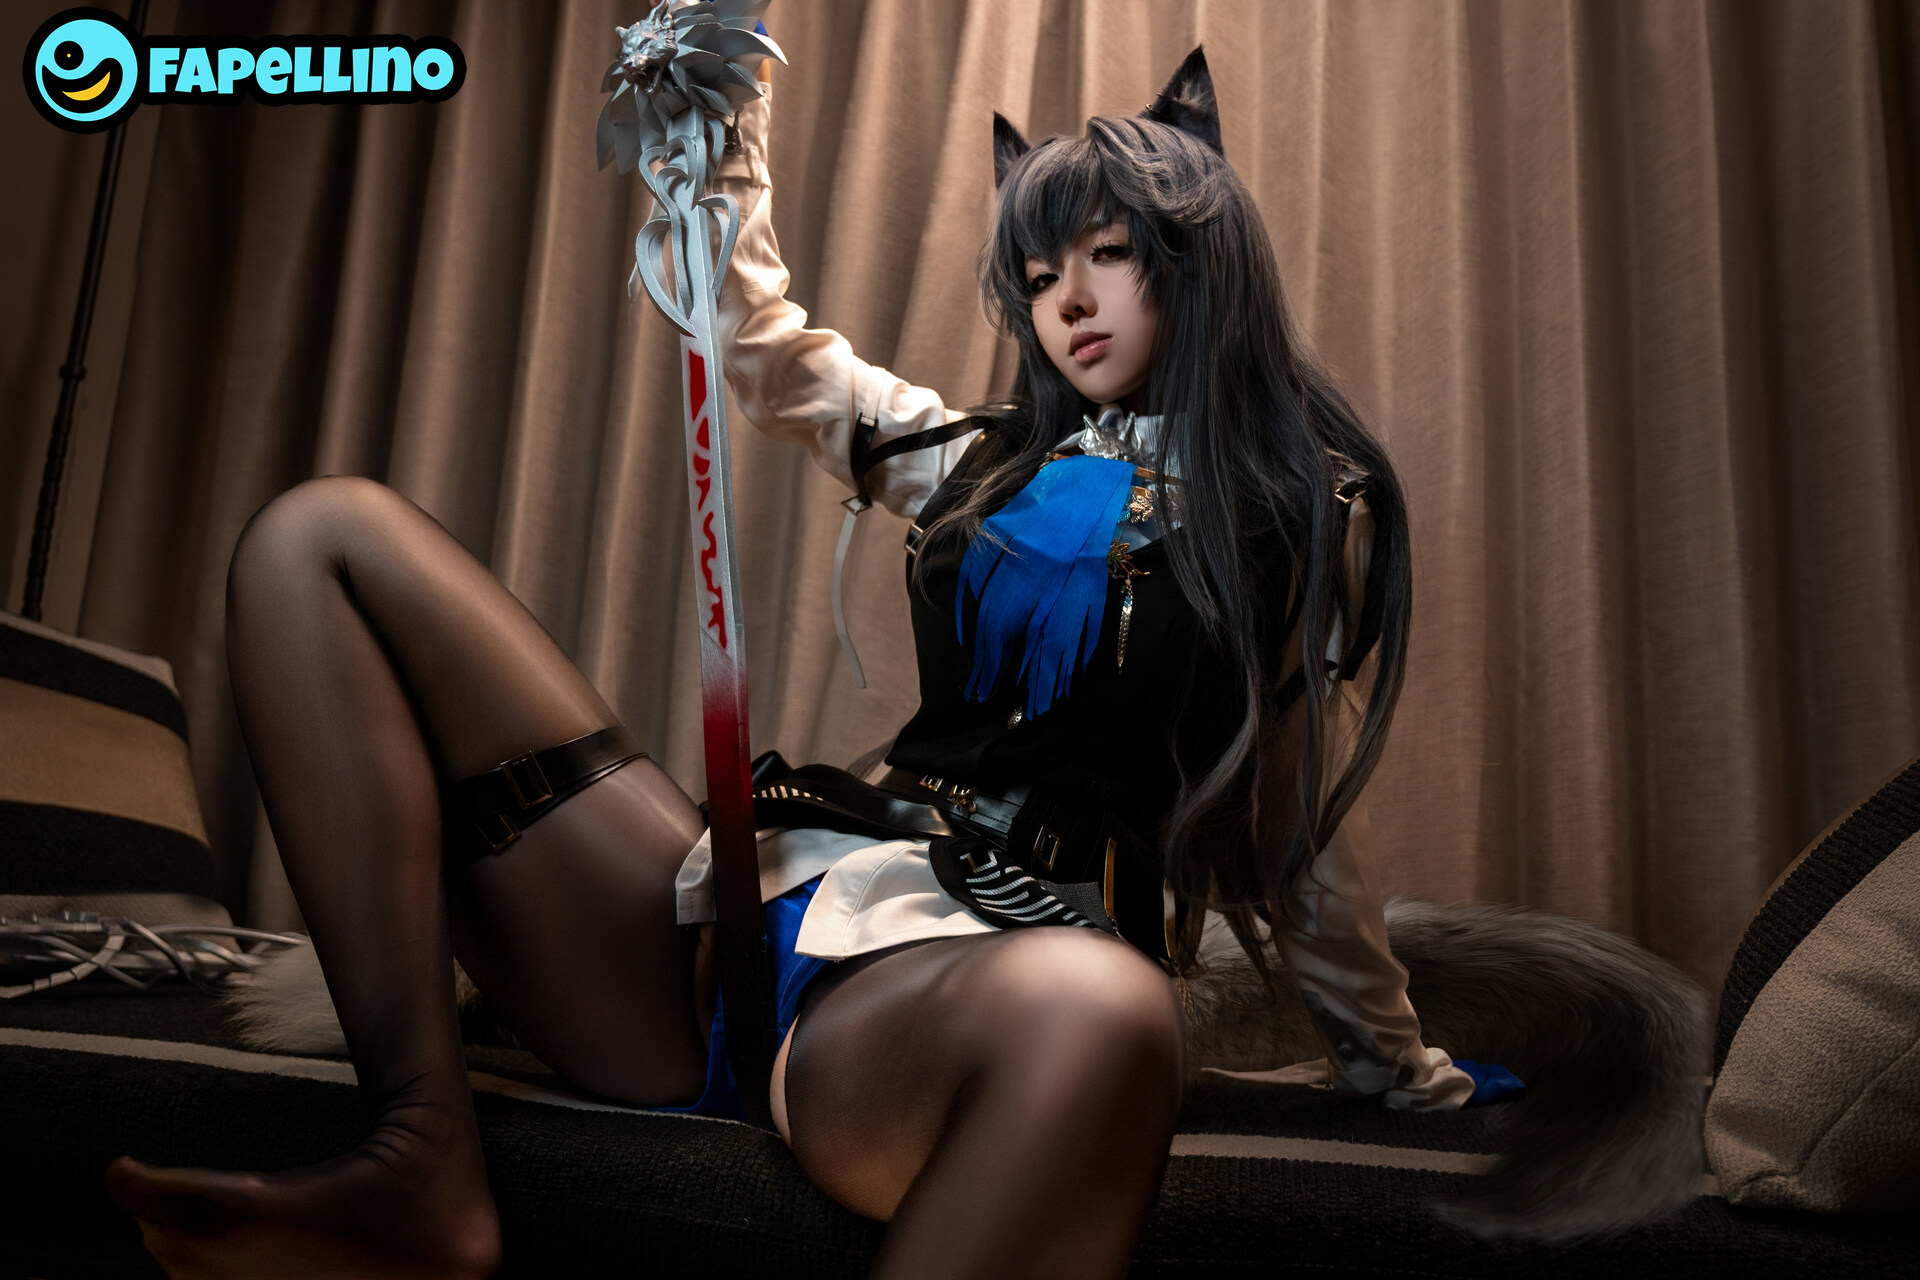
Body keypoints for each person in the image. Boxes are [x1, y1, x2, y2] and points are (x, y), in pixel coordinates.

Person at [105, 47, 1486, 1280]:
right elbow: (761, 347)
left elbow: (1301, 830)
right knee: (321, 542)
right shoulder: (971, 459)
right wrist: (725, 132)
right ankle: (419, 1161)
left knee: (1111, 1011)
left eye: (1107, 254)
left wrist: (1393, 1063)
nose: (1064, 299)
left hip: (953, 1004)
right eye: (1037, 275)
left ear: (1199, 253)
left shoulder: (1290, 526)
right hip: (733, 925)